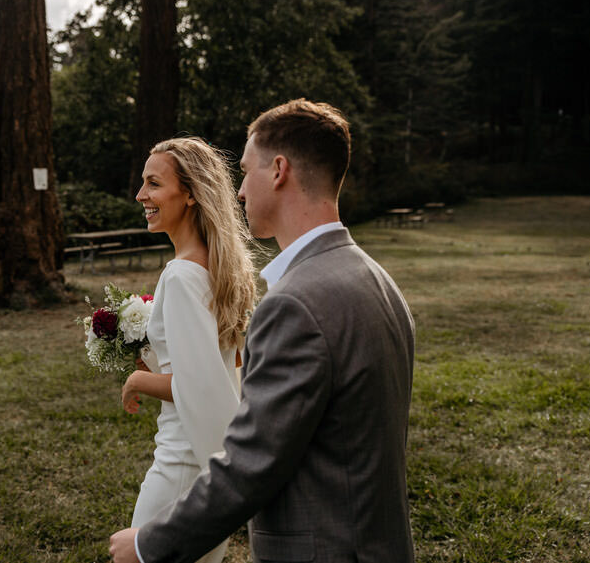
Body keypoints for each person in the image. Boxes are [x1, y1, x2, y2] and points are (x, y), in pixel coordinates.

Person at [110, 99, 416, 563]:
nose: (236, 193)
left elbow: (250, 463)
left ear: (278, 171)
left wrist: (148, 544)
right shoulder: (377, 279)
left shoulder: (295, 302)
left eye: (247, 171)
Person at [121, 137, 258, 563]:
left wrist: (139, 378)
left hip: (182, 467)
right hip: (206, 466)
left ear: (192, 194)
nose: (141, 195)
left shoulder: (181, 276)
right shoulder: (217, 269)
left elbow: (201, 387)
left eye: (153, 184)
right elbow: (224, 363)